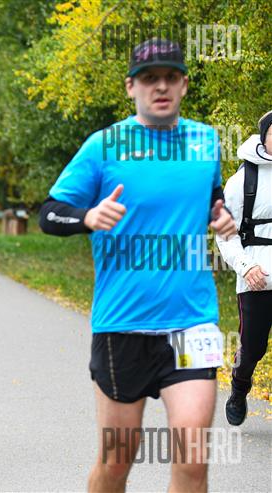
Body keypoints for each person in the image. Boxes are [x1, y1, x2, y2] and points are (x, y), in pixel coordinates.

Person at [39, 39, 236, 492]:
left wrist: (220, 215)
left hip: (192, 322)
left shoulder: (206, 141)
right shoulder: (104, 146)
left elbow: (211, 196)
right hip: (122, 325)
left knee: (193, 458)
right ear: (131, 87)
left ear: (184, 85)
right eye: (149, 78)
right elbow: (49, 214)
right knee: (116, 461)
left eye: (170, 77)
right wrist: (87, 217)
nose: (160, 86)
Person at [216, 110, 272, 426]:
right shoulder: (242, 180)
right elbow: (225, 233)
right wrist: (245, 266)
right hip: (256, 276)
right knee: (252, 347)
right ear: (264, 136)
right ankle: (239, 390)